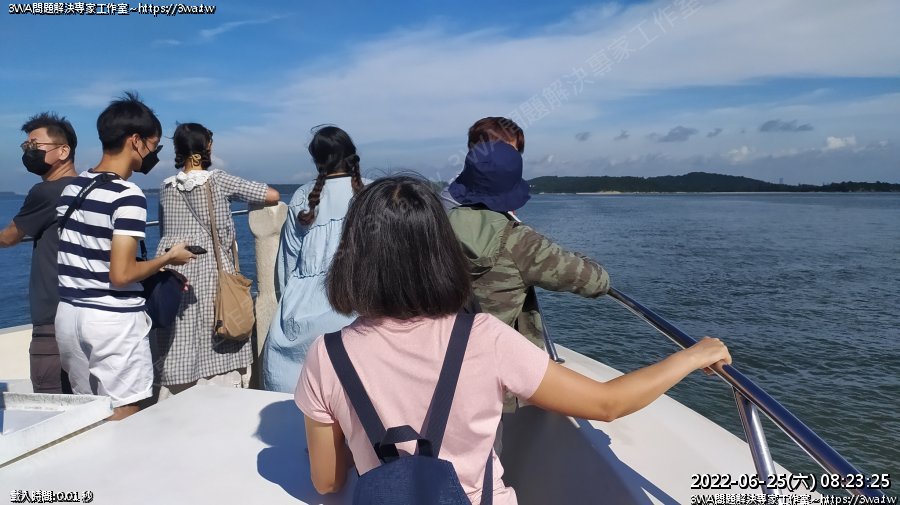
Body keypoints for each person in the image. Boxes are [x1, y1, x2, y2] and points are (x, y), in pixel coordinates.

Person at [294, 176, 731, 504]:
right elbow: (607, 404)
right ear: (440, 251)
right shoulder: (484, 338)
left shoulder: (327, 355)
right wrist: (692, 356)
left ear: (354, 255)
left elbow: (326, 482)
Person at [55, 92, 193, 420]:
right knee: (125, 413)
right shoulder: (128, 194)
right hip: (111, 322)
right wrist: (168, 259)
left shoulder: (72, 189)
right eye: (153, 146)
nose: (153, 154)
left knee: (88, 413)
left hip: (69, 315)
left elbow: (92, 256)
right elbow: (122, 274)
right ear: (135, 141)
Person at [447, 117, 610, 350]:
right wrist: (578, 256)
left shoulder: (434, 225)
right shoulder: (522, 243)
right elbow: (597, 281)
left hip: (447, 354)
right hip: (501, 361)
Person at [152, 122, 279, 398]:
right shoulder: (217, 180)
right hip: (211, 268)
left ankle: (178, 389)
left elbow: (165, 231)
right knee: (218, 328)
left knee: (181, 334)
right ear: (207, 147)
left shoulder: (165, 187)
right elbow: (270, 195)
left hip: (174, 270)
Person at [262, 125, 367, 392]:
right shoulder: (371, 192)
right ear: (351, 154)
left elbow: (288, 261)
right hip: (356, 301)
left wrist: (289, 299)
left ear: (317, 160)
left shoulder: (303, 196)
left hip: (304, 305)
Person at [0, 112, 78, 393]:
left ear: (63, 151)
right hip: (85, 312)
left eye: (35, 145)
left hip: (52, 316)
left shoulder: (46, 191)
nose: (29, 152)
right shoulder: (87, 187)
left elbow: (9, 237)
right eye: (26, 146)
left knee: (52, 397)